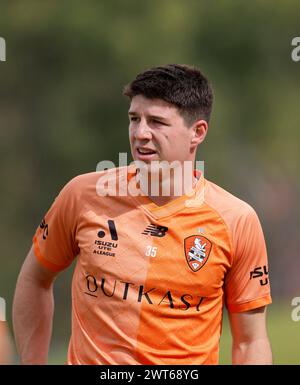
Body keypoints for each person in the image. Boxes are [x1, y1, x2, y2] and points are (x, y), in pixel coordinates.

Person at [13, 64, 272, 365]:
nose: (140, 133)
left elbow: (251, 341)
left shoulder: (236, 219)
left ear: (197, 133)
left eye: (157, 122)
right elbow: (35, 278)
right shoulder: (83, 195)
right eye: (134, 119)